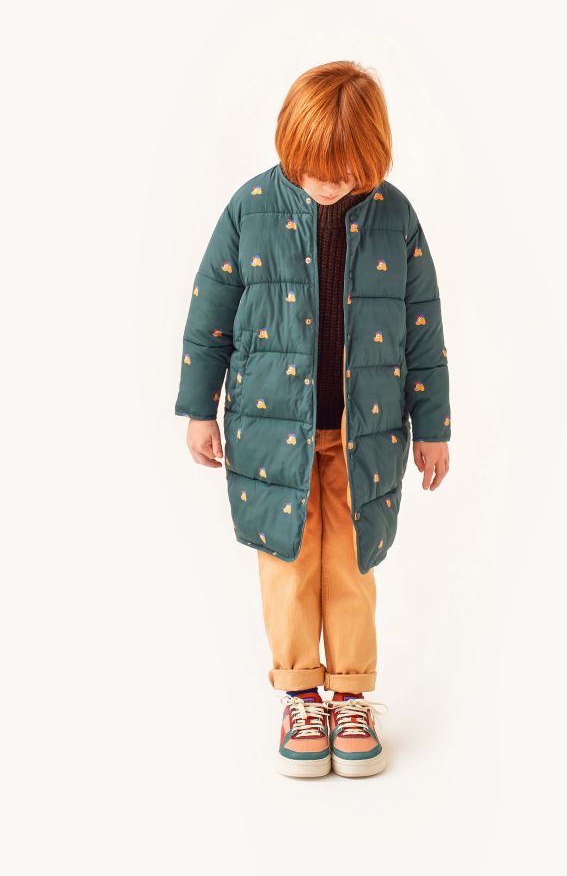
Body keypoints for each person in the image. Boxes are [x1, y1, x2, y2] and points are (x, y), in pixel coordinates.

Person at [175, 60, 451, 778]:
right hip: (271, 434)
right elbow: (209, 315)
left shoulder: (396, 217)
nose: (329, 184)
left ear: (374, 157)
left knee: (352, 568)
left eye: (347, 172)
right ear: (288, 144)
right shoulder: (249, 209)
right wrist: (198, 408)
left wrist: (434, 426)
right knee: (287, 566)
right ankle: (300, 696)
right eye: (315, 169)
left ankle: (351, 696)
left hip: (366, 435)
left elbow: (423, 329)